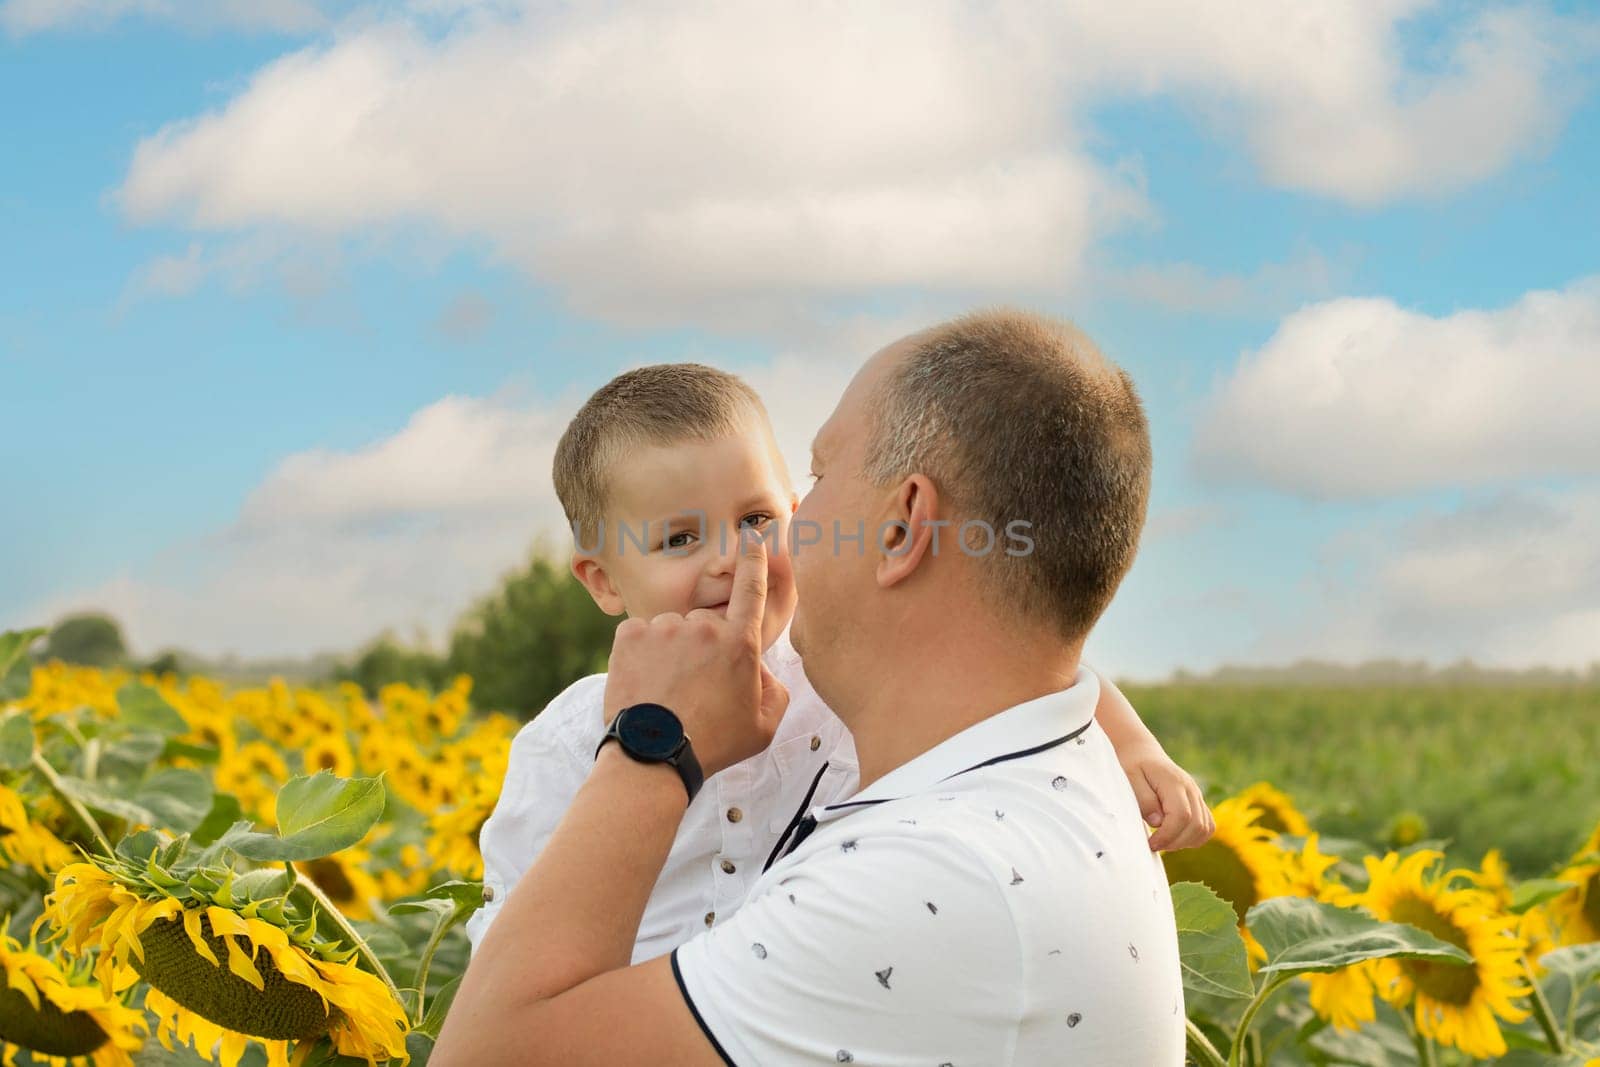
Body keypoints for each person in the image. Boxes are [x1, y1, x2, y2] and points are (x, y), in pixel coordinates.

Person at [436, 309, 1189, 1065]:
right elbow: (509, 930)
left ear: (901, 528)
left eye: (786, 503)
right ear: (602, 581)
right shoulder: (569, 742)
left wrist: (1137, 742)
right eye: (678, 539)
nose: (738, 559)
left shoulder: (926, 880)